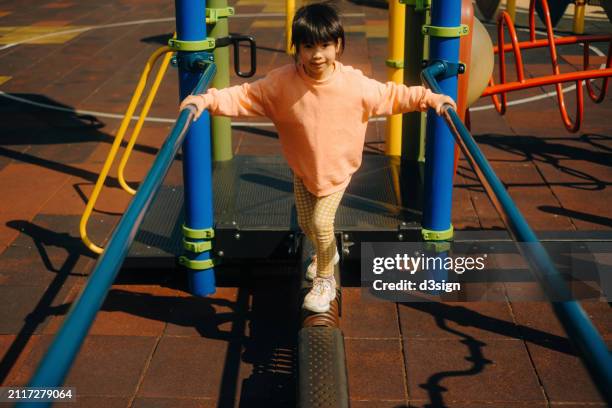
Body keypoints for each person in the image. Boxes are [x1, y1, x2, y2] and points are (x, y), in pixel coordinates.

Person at [180, 2, 456, 313]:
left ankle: (326, 279)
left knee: (322, 223)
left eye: (325, 45)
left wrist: (428, 98)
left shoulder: (354, 85)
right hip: (302, 168)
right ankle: (328, 254)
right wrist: (206, 101)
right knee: (305, 224)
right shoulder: (282, 83)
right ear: (296, 48)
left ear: (338, 45)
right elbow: (246, 95)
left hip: (337, 171)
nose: (317, 55)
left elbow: (393, 95)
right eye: (308, 46)